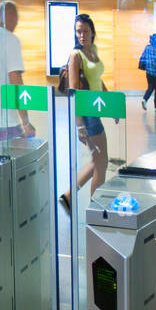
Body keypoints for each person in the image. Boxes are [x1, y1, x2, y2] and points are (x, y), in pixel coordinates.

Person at [60, 13, 113, 213]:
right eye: (78, 31)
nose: (82, 35)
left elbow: (99, 80)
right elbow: (74, 91)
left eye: (85, 31)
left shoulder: (93, 50)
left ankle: (68, 197)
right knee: (102, 161)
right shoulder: (76, 56)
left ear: (92, 32)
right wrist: (79, 124)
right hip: (87, 114)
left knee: (96, 160)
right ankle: (96, 208)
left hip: (96, 110)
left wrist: (111, 104)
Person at [0, 0, 36, 145]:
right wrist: (25, 121)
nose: (15, 24)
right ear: (8, 16)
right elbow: (15, 80)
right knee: (16, 165)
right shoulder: (10, 39)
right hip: (6, 123)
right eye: (16, 19)